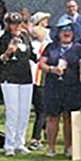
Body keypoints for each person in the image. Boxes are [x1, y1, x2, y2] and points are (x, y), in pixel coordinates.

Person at [38, 17, 81, 157]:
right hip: (53, 87)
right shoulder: (51, 47)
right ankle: (51, 148)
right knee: (52, 117)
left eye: (69, 29)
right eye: (63, 30)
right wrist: (52, 69)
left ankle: (69, 147)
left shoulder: (78, 48)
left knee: (69, 117)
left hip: (72, 87)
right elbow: (42, 64)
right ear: (58, 33)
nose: (67, 32)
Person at [0, 13, 37, 156]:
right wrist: (8, 51)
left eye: (18, 23)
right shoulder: (4, 38)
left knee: (24, 111)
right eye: (13, 24)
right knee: (13, 111)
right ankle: (9, 145)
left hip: (25, 76)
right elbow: (1, 59)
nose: (16, 27)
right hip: (9, 78)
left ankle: (20, 143)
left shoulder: (25, 36)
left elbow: (31, 54)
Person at [28, 12, 52, 149]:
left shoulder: (42, 44)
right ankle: (35, 139)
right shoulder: (38, 45)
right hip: (38, 79)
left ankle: (45, 133)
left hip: (42, 79)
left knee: (43, 109)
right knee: (41, 110)